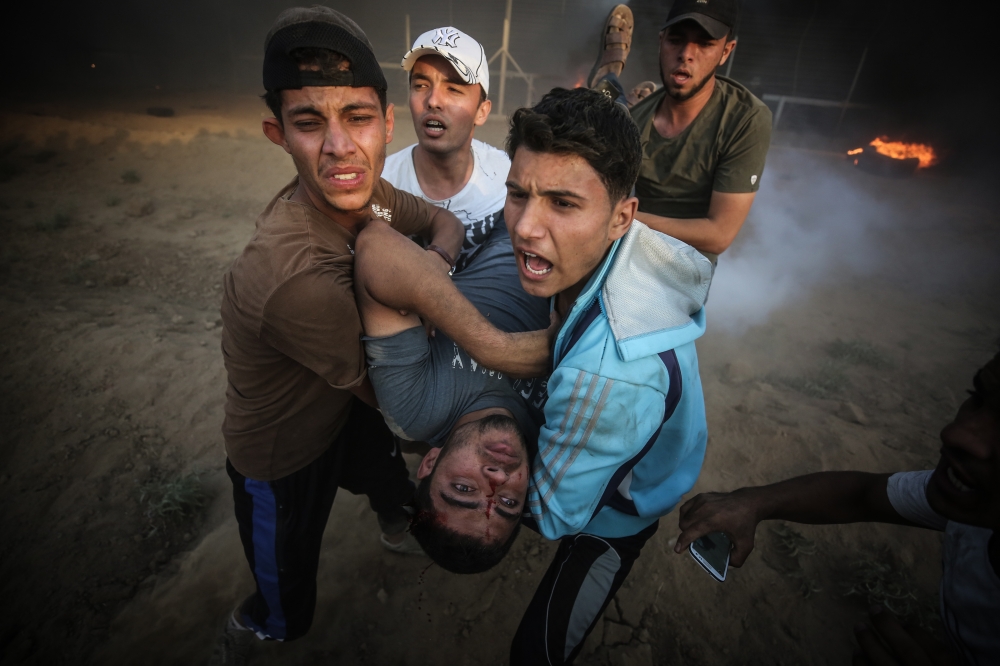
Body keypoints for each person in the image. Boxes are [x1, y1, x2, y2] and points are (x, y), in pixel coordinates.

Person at [354, 87, 714, 665]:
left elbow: (554, 510)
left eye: (465, 489)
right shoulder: (559, 411)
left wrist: (490, 344)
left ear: (623, 217)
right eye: (518, 194)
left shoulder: (591, 391)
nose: (524, 227)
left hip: (626, 488)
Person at [212, 6, 465, 664]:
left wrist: (429, 271)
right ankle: (253, 629)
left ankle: (393, 518)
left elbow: (442, 222)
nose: (338, 148)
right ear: (278, 134)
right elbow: (404, 404)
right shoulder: (295, 277)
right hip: (282, 457)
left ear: (386, 123)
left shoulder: (370, 195)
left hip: (342, 400)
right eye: (308, 122)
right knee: (288, 598)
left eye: (356, 118)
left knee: (385, 473)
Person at [674, 351, 1000, 665]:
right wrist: (754, 501)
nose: (957, 434)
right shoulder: (972, 500)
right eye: (978, 397)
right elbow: (863, 494)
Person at [589, 0, 773, 261]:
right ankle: (609, 90)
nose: (686, 53)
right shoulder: (638, 121)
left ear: (726, 51)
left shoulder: (744, 118)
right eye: (676, 40)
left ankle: (610, 91)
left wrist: (620, 218)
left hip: (683, 269)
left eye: (705, 44)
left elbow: (720, 234)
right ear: (661, 42)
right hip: (627, 250)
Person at [382, 26, 510, 273]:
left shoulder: (507, 178)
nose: (433, 100)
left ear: (482, 111)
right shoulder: (382, 183)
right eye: (420, 85)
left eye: (453, 88)